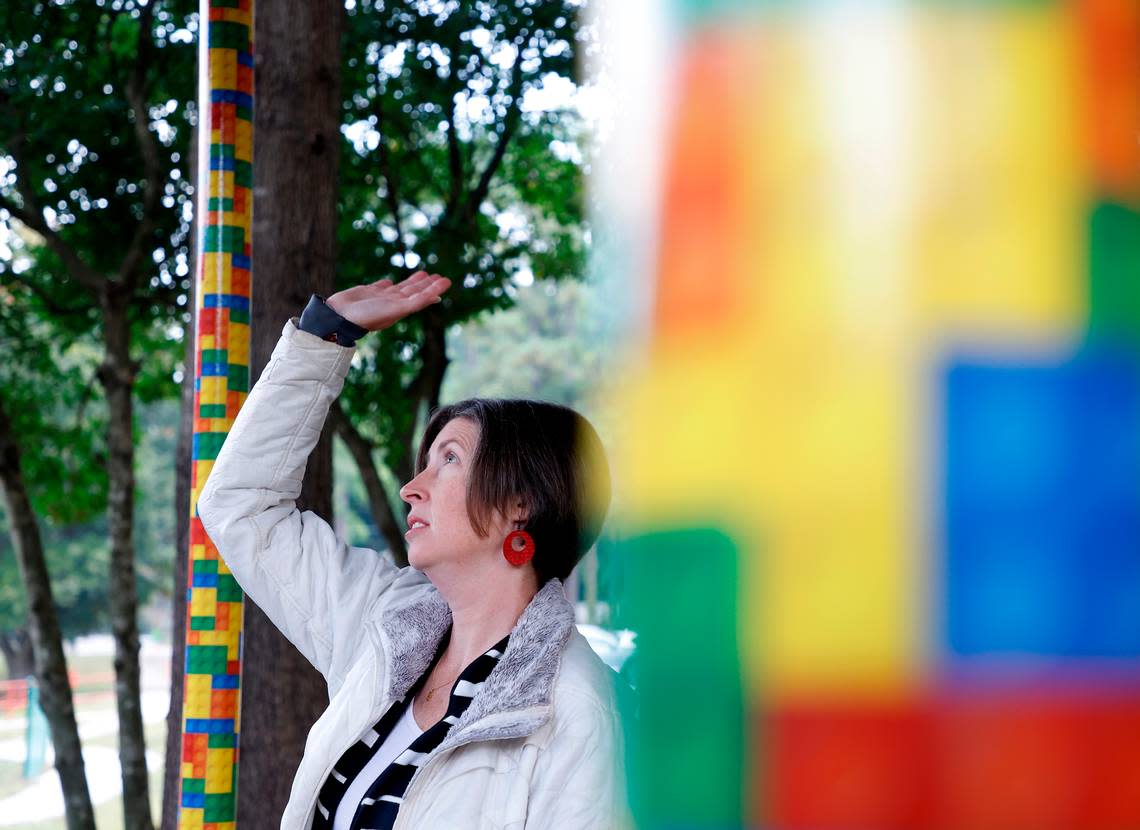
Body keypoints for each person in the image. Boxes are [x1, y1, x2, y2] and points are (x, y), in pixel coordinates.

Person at [197, 271, 628, 830]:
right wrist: (322, 338)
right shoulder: (385, 625)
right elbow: (242, 506)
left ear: (519, 505)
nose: (411, 488)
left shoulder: (579, 713)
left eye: (448, 459)